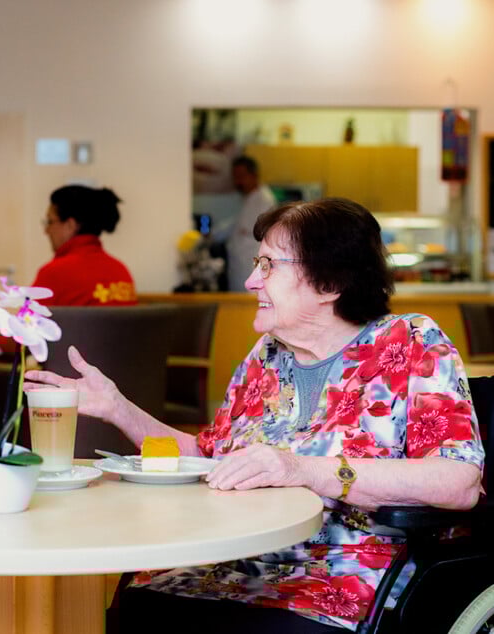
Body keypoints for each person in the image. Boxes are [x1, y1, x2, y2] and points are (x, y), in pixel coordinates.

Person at [26, 197, 484, 632]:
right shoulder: (267, 356)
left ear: (330, 283)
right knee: (135, 608)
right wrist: (118, 408)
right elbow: (206, 456)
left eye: (268, 265)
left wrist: (300, 469)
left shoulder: (410, 342)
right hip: (233, 562)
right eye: (256, 263)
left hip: (343, 578)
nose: (251, 281)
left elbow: (457, 482)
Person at [33, 184, 137, 306]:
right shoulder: (121, 271)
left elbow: (24, 323)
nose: (46, 231)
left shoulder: (54, 274)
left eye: (50, 222)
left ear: (70, 225)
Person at [225, 155, 277, 291]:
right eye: (235, 177)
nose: (238, 181)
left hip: (251, 267)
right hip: (240, 268)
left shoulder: (264, 201)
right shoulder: (248, 200)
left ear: (254, 175)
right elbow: (234, 226)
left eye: (242, 176)